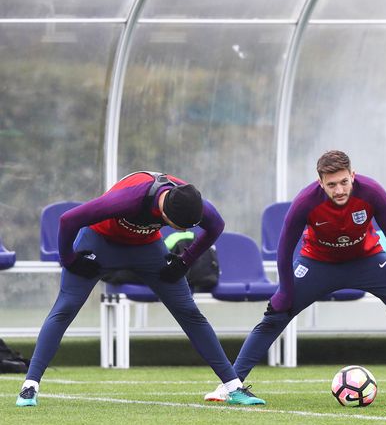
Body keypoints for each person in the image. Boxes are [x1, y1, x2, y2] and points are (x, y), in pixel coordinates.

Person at [204, 150, 386, 402]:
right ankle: (231, 385)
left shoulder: (372, 192)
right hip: (318, 263)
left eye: (344, 182)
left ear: (353, 174)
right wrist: (284, 291)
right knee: (274, 316)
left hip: (367, 260)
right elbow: (284, 248)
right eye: (332, 184)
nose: (339, 190)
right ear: (320, 182)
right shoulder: (305, 202)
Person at [16, 171, 263, 407]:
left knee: (189, 312)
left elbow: (216, 226)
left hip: (146, 249)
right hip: (100, 242)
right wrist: (69, 259)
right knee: (66, 308)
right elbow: (68, 220)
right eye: (179, 227)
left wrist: (185, 260)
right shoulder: (129, 198)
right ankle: (30, 386)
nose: (185, 232)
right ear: (165, 214)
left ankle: (233, 387)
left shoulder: (190, 201)